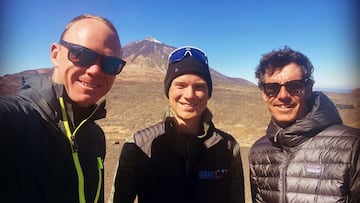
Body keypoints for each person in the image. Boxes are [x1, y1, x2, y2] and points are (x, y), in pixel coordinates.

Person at [0, 14, 126, 203]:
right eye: (82, 55)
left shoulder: (94, 136)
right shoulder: (17, 121)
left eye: (111, 64)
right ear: (55, 54)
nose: (95, 70)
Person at [110, 46, 245, 203]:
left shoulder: (227, 147)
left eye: (199, 86)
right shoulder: (139, 145)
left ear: (209, 93)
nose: (189, 95)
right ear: (168, 91)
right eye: (180, 85)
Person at [249, 46, 360, 202]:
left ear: (308, 89)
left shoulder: (352, 146)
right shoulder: (258, 152)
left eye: (294, 86)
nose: (283, 96)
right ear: (264, 94)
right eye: (272, 88)